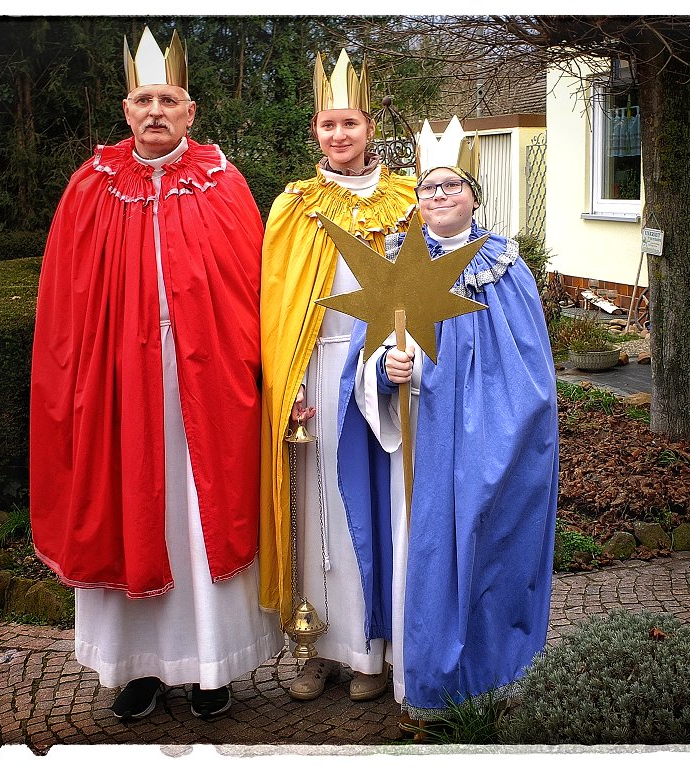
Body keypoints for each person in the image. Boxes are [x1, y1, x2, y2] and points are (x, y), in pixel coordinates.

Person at [29, 27, 282, 722]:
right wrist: (77, 386)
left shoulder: (226, 185)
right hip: (119, 392)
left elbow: (258, 292)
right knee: (128, 509)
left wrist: (270, 381)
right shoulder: (91, 187)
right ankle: (136, 669)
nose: (154, 111)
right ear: (126, 107)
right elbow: (64, 303)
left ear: (190, 110)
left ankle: (211, 667)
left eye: (167, 98)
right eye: (143, 99)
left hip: (211, 390)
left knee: (202, 521)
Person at [336, 116, 559, 725]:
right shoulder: (396, 266)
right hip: (421, 441)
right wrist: (388, 371)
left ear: (474, 194)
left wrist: (501, 435)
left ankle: (492, 678)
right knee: (425, 556)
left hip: (490, 440)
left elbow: (530, 371)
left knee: (488, 548)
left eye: (451, 186)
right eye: (429, 187)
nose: (439, 196)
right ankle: (428, 682)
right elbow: (363, 357)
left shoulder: (505, 268)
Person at [258, 50, 418, 703]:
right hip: (312, 374)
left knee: (372, 512)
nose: (338, 136)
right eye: (327, 125)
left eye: (349, 123)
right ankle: (313, 648)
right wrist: (288, 380)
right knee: (314, 516)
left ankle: (369, 654)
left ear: (369, 125)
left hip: (378, 379)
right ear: (315, 132)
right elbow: (274, 301)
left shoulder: (406, 201)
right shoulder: (295, 207)